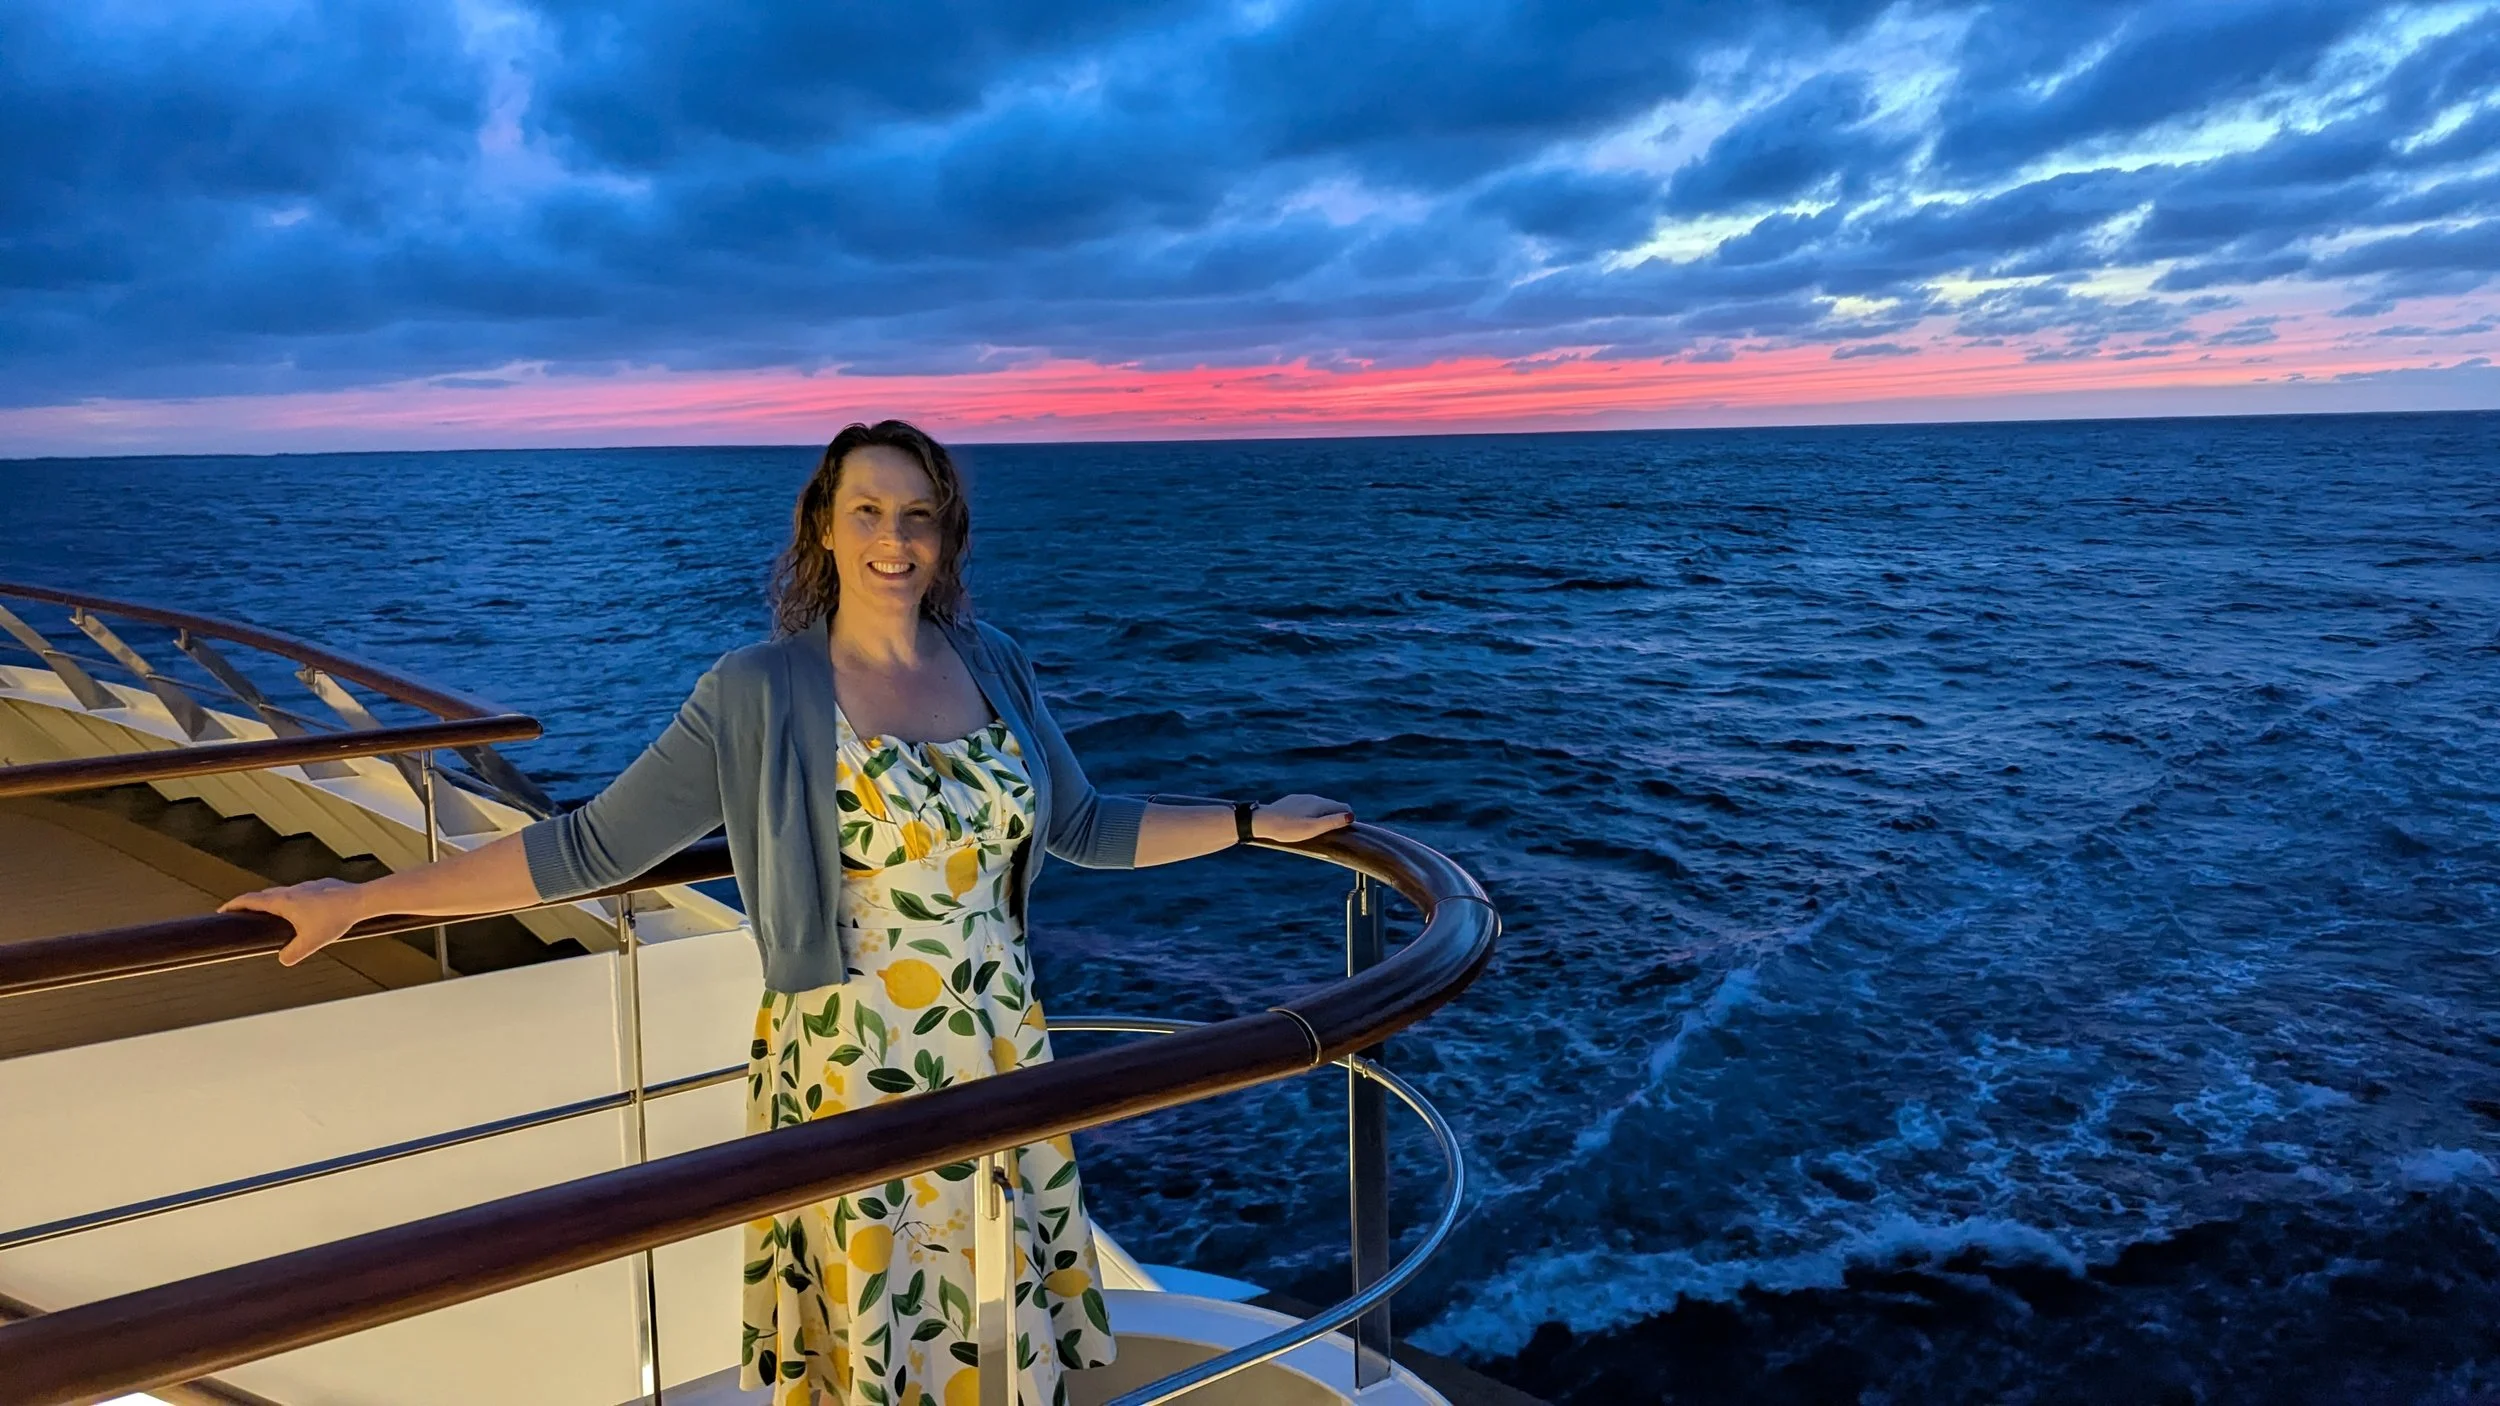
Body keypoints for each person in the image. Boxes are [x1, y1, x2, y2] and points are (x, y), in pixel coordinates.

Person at [220, 418, 1355, 1406]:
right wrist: (365, 896)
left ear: (946, 532)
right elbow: (589, 847)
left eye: (919, 514)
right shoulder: (756, 690)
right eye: (867, 508)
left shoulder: (991, 660)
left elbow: (1085, 824)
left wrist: (1254, 818)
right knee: (885, 1319)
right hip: (852, 1058)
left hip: (1003, 1040)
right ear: (822, 525)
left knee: (1000, 1302)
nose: (894, 538)